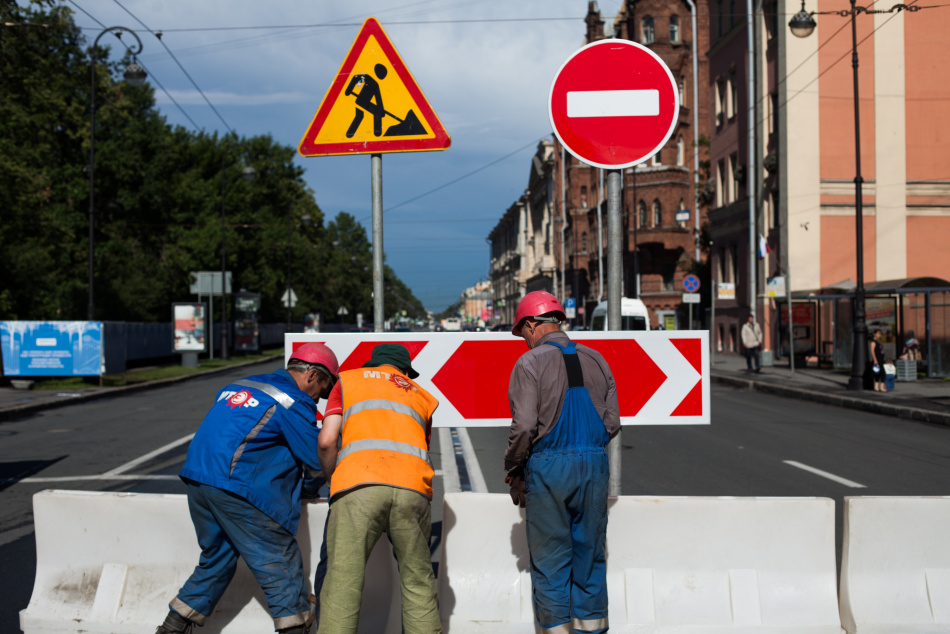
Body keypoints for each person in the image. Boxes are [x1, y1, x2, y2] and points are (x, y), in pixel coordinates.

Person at [155, 343, 340, 634]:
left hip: (198, 480)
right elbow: (317, 457)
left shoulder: (241, 385)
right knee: (279, 560)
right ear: (313, 375)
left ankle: (171, 628)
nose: (320, 398)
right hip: (237, 486)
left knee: (217, 558)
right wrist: (311, 486)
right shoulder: (293, 399)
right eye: (324, 389)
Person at [505, 291, 620, 634]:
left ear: (531, 324)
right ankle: (593, 629)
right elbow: (612, 422)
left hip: (549, 468)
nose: (525, 340)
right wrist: (587, 448)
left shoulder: (530, 362)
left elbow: (525, 426)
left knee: (551, 560)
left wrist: (514, 466)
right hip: (595, 467)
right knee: (591, 559)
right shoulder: (597, 359)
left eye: (523, 333)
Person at [316, 343, 441, 634]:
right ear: (405, 372)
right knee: (418, 582)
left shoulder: (347, 381)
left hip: (358, 486)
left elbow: (326, 441)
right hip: (413, 489)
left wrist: (334, 480)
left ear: (372, 365)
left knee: (343, 581)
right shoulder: (422, 395)